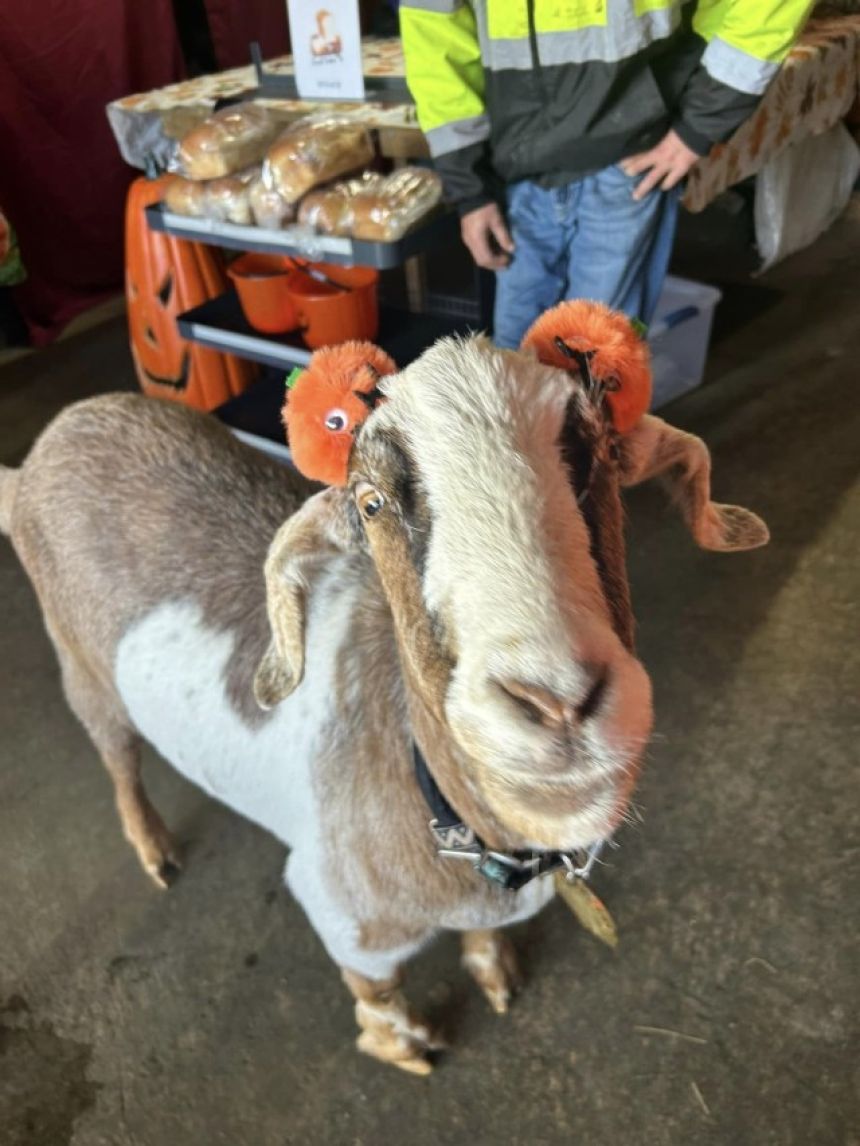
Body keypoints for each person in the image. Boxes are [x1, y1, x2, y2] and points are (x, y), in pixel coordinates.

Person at [399, 0, 812, 347]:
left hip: (628, 159)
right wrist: (469, 188)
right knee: (514, 375)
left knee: (600, 371)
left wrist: (698, 125)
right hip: (516, 173)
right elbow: (434, 33)